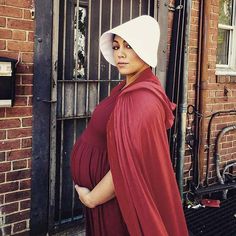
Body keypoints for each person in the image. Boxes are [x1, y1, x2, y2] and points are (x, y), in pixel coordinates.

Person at [71, 15, 188, 236]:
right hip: (106, 198)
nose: (120, 54)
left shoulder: (140, 97)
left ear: (144, 49)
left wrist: (91, 198)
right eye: (116, 46)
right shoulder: (127, 87)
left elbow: (127, 165)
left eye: (129, 46)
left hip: (114, 201)